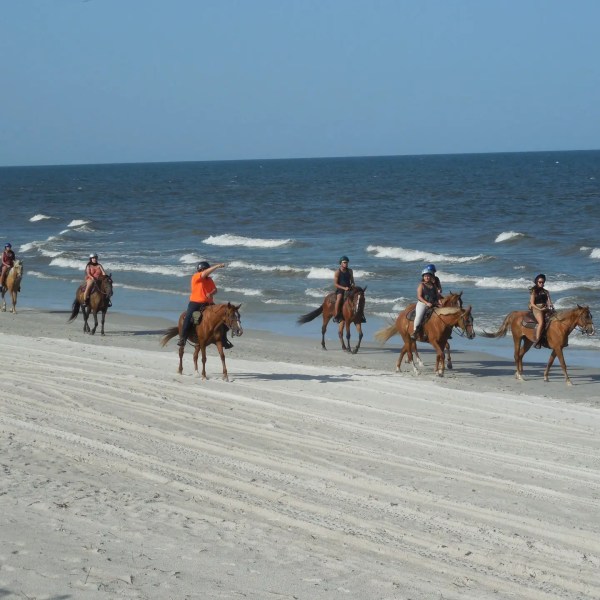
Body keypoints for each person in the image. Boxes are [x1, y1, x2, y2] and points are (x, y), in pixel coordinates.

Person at [177, 261, 230, 347]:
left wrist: (211, 293)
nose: (208, 271)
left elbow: (215, 290)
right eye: (207, 269)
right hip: (195, 302)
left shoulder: (209, 280)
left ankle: (224, 340)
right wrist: (216, 266)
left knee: (222, 317)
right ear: (202, 270)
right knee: (188, 317)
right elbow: (204, 273)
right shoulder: (196, 277)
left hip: (208, 303)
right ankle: (183, 338)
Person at [411, 268, 441, 340]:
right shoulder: (421, 285)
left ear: (431, 277)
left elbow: (437, 296)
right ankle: (415, 332)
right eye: (425, 276)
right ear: (423, 277)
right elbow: (419, 296)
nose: (427, 277)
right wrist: (426, 303)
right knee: (419, 316)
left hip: (433, 304)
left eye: (428, 276)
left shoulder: (434, 285)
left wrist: (440, 302)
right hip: (422, 304)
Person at [529, 273, 554, 348]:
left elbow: (549, 302)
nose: (541, 284)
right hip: (537, 308)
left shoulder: (546, 292)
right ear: (537, 282)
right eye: (540, 282)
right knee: (541, 322)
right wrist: (540, 309)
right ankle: (538, 340)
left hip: (545, 307)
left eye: (543, 282)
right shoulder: (534, 291)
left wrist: (550, 306)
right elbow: (532, 303)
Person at [333, 255, 355, 323]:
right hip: (341, 289)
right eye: (344, 262)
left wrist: (353, 285)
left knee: (358, 298)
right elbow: (335, 284)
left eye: (347, 262)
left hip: (349, 288)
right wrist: (344, 288)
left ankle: (360, 316)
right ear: (341, 263)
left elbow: (352, 281)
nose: (346, 264)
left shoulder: (350, 271)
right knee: (339, 299)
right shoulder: (338, 272)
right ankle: (336, 316)